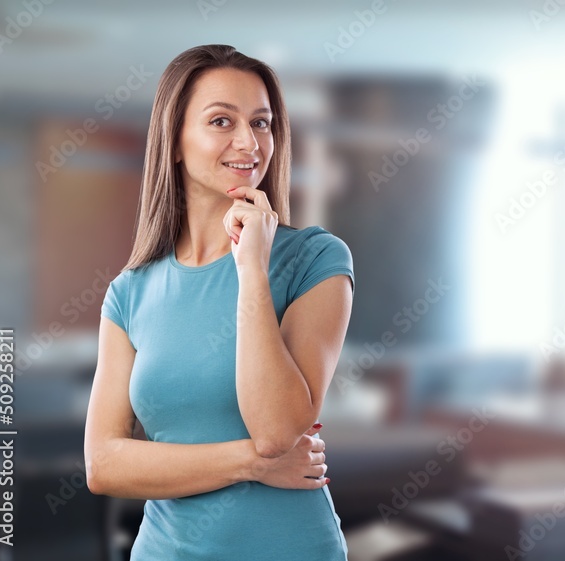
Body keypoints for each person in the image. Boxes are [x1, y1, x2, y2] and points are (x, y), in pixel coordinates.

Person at [84, 44, 353, 560]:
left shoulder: (314, 259)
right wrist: (249, 463)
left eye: (261, 122)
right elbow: (104, 464)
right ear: (176, 142)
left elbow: (277, 429)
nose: (248, 142)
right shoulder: (129, 292)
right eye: (221, 121)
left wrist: (251, 268)